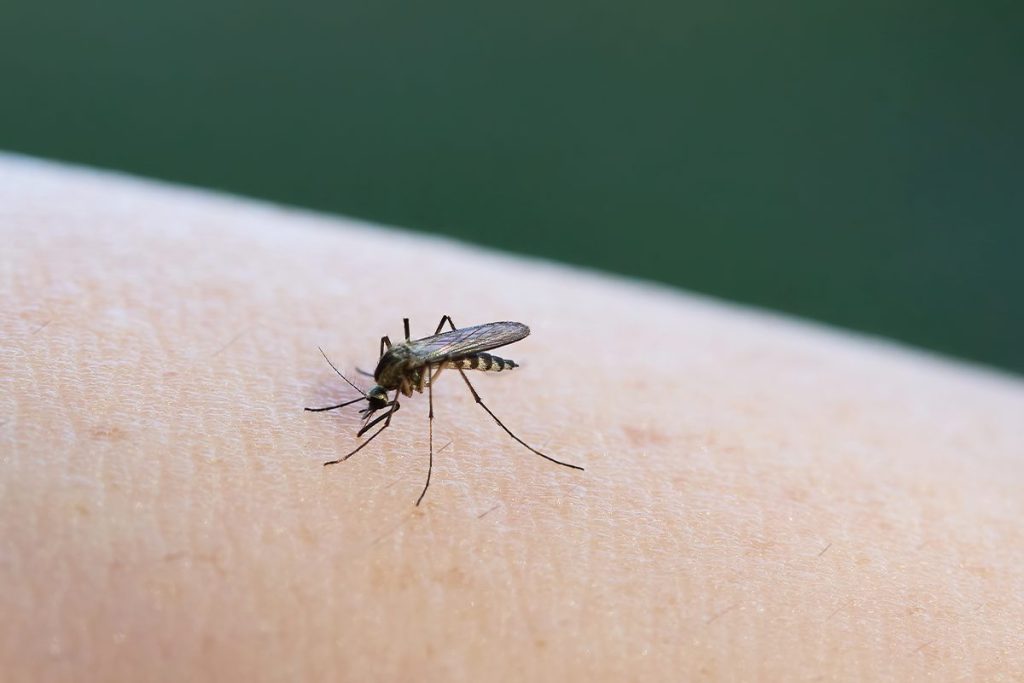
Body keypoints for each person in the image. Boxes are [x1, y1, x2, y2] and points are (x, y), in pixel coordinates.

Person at [2, 153, 1022, 681]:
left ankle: (483, 424)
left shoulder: (419, 364)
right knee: (415, 360)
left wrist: (438, 381)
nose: (376, 390)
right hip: (435, 347)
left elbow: (424, 367)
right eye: (379, 387)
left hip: (464, 351)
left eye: (376, 389)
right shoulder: (388, 365)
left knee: (452, 381)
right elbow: (388, 370)